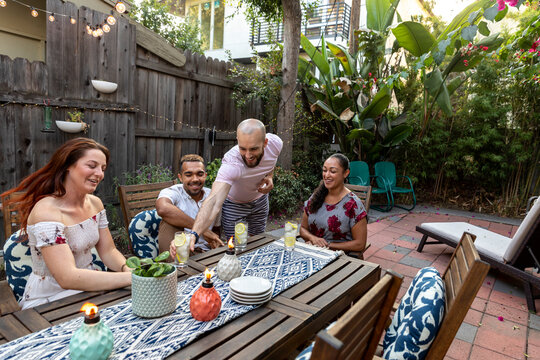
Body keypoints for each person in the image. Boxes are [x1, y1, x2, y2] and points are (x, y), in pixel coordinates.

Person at [1, 138, 132, 309]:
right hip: (52, 300)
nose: (100, 173)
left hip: (92, 288)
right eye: (92, 166)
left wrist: (126, 268)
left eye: (103, 168)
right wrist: (132, 279)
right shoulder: (46, 212)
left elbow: (109, 251)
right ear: (67, 166)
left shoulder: (95, 204)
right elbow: (67, 277)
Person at [171, 118, 282, 254]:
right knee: (235, 250)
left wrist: (269, 176)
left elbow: (271, 161)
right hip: (234, 205)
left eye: (253, 149)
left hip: (260, 201)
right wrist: (194, 234)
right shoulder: (232, 163)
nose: (248, 155)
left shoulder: (276, 144)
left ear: (265, 143)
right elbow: (213, 201)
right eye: (242, 148)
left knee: (257, 243)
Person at [300, 153, 368, 253]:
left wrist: (327, 245)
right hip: (312, 252)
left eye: (332, 171)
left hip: (339, 258)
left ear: (346, 173)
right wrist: (313, 239)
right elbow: (302, 229)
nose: (327, 175)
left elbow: (360, 244)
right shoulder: (316, 196)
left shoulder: (353, 205)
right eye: (324, 170)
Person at [155, 154, 222, 254]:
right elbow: (162, 208)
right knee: (168, 222)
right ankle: (175, 266)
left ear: (205, 175)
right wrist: (203, 230)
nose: (195, 179)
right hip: (181, 250)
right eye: (188, 175)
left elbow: (216, 229)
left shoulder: (212, 196)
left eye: (200, 174)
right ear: (180, 177)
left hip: (206, 253)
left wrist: (215, 243)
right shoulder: (173, 192)